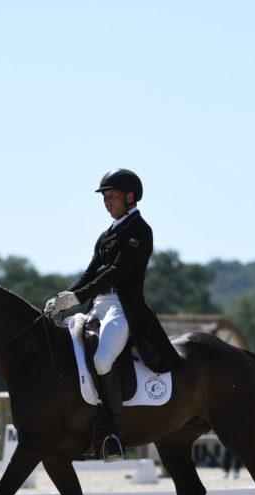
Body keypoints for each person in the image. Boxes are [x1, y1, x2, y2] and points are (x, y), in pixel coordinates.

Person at [43, 169, 182, 462]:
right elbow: (91, 272)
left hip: (123, 308)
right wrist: (63, 298)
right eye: (105, 197)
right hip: (97, 306)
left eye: (113, 196)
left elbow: (116, 272)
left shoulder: (140, 230)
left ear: (130, 197)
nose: (107, 202)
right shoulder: (107, 234)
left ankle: (114, 432)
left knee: (103, 359)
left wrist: (76, 297)